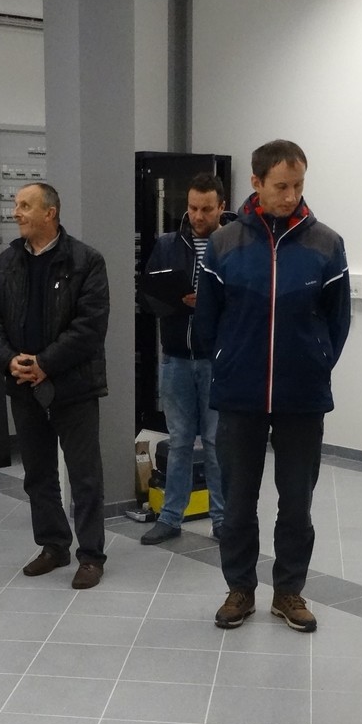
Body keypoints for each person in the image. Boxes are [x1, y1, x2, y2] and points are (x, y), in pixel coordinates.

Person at [194, 139, 351, 632]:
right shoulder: (224, 244)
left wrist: (317, 362)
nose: (291, 195)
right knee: (238, 502)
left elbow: (339, 320)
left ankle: (289, 592)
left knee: (296, 504)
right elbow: (207, 321)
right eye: (281, 186)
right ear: (256, 183)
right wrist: (225, 361)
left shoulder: (327, 244)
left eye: (298, 185)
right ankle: (240, 589)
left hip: (302, 397)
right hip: (239, 394)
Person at [0, 181, 109, 589]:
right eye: (16, 205)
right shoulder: (9, 261)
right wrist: (9, 360)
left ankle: (91, 556)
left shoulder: (86, 261)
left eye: (24, 205)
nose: (15, 212)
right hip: (23, 385)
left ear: (50, 213)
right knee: (37, 473)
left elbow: (90, 327)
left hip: (74, 386)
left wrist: (45, 363)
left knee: (84, 476)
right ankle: (54, 545)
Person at [138, 172, 232, 544]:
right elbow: (147, 297)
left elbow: (244, 302)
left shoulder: (233, 245)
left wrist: (209, 303)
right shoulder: (167, 244)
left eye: (206, 209)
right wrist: (176, 301)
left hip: (215, 360)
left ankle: (222, 520)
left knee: (215, 443)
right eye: (192, 208)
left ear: (221, 207)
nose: (197, 216)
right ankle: (170, 517)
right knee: (178, 442)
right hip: (175, 357)